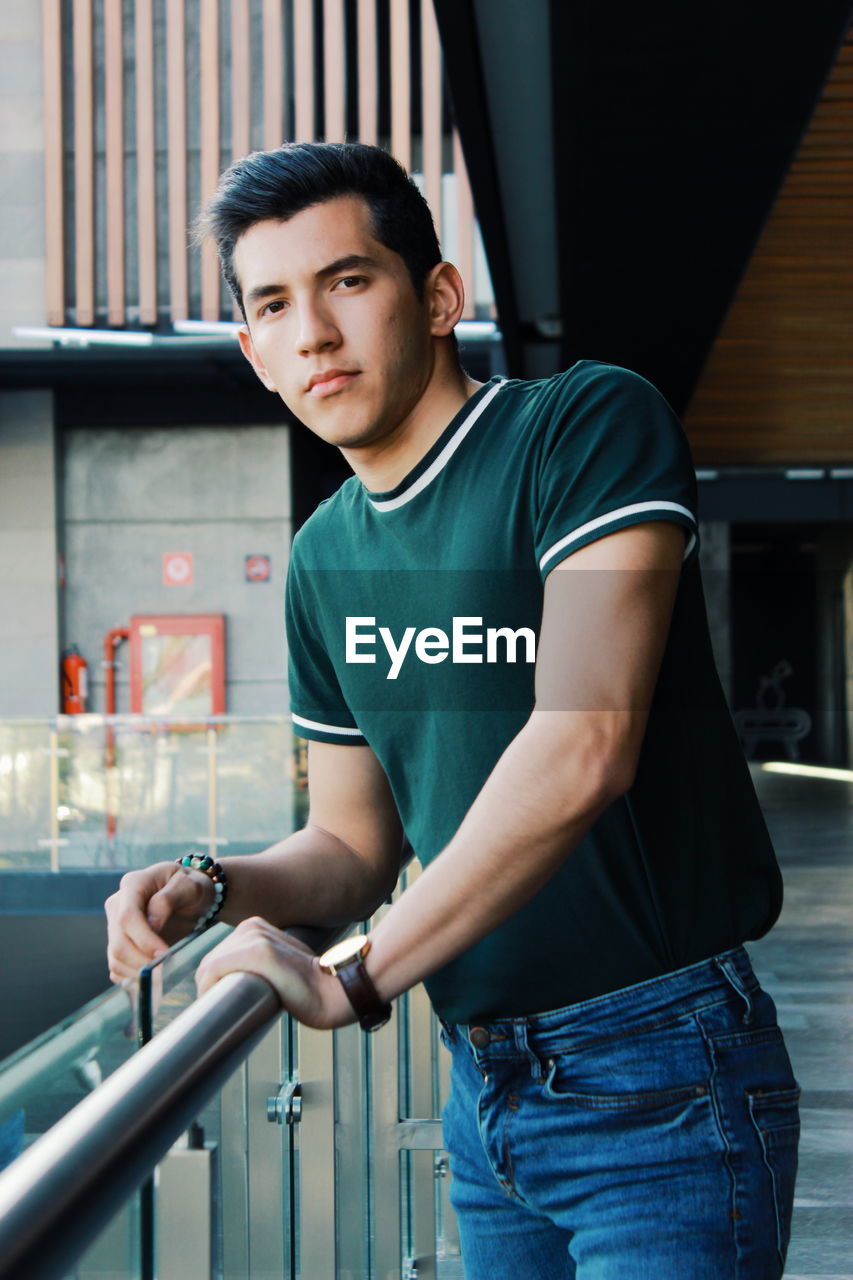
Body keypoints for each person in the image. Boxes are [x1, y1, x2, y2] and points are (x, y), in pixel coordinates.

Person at [105, 142, 800, 1278]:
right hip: (483, 1079)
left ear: (436, 296)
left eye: (347, 281)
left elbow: (585, 742)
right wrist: (213, 883)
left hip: (664, 1071)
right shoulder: (326, 555)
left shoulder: (581, 430)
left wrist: (356, 975)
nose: (314, 332)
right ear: (252, 351)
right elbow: (351, 847)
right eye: (273, 304)